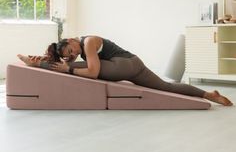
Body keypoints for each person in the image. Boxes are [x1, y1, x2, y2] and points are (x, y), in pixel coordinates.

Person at [17, 35, 233, 106]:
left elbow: (93, 72)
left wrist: (69, 69)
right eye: (69, 55)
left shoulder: (88, 41)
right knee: (168, 87)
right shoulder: (81, 48)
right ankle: (208, 94)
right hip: (134, 66)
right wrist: (67, 64)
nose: (73, 55)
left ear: (73, 40)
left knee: (67, 69)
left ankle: (35, 62)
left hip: (123, 65)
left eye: (71, 50)